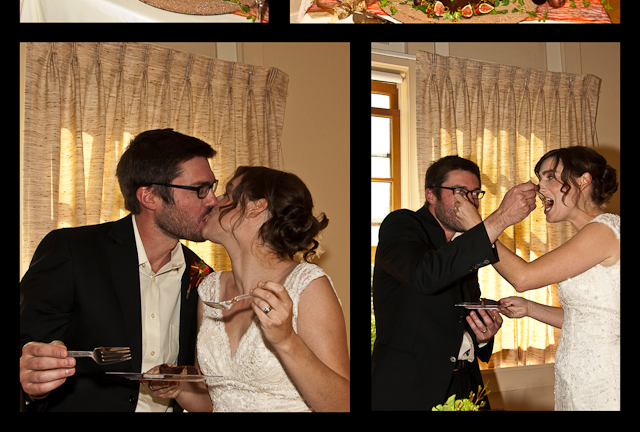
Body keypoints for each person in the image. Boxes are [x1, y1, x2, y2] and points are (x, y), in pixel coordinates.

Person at [20, 129, 217, 412]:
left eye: (212, 187)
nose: (212, 200)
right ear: (149, 196)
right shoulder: (73, 251)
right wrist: (33, 385)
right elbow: (28, 350)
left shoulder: (203, 275)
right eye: (200, 189)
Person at [146, 166, 350, 411]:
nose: (214, 201)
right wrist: (179, 388)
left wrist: (286, 340)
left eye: (228, 194)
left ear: (256, 207)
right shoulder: (210, 289)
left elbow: (342, 404)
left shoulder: (306, 285)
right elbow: (214, 401)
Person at [453, 146, 619, 411]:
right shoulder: (590, 235)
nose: (539, 188)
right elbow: (588, 319)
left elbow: (523, 277)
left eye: (550, 176)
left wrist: (478, 228)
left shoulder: (604, 230)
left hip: (605, 376)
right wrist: (530, 308)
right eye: (539, 178)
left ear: (583, 180)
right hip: (577, 376)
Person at [371, 155, 538, 411]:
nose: (469, 201)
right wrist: (502, 217)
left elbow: (458, 315)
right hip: (408, 390)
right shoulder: (401, 224)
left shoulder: (465, 246)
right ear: (431, 194)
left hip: (465, 384)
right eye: (459, 192)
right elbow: (425, 276)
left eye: (475, 193)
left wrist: (482, 336)